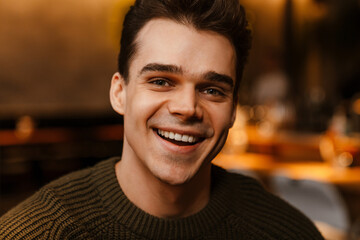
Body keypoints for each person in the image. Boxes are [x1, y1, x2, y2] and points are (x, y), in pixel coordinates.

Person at [0, 0, 324, 239]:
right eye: (161, 81)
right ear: (119, 93)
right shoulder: (37, 232)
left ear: (234, 109)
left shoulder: (286, 232)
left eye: (212, 90)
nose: (187, 107)